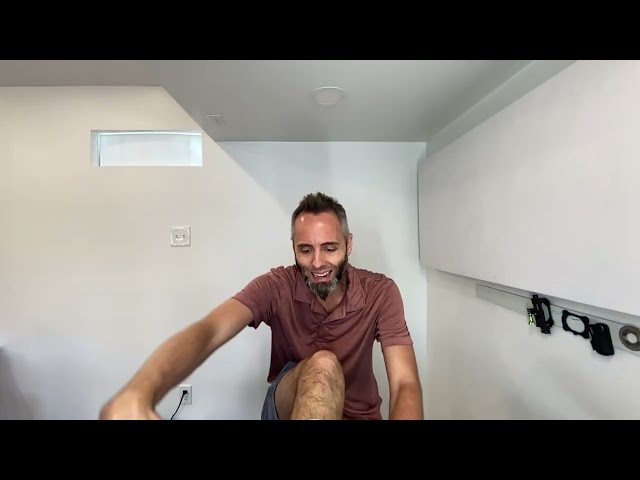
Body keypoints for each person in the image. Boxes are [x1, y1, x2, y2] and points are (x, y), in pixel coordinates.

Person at [99, 192, 423, 420]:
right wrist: (139, 391)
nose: (317, 262)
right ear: (294, 248)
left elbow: (404, 383)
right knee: (323, 366)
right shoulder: (277, 286)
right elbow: (210, 330)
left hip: (359, 414)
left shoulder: (381, 292)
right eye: (306, 250)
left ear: (348, 245)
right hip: (291, 403)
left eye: (329, 248)